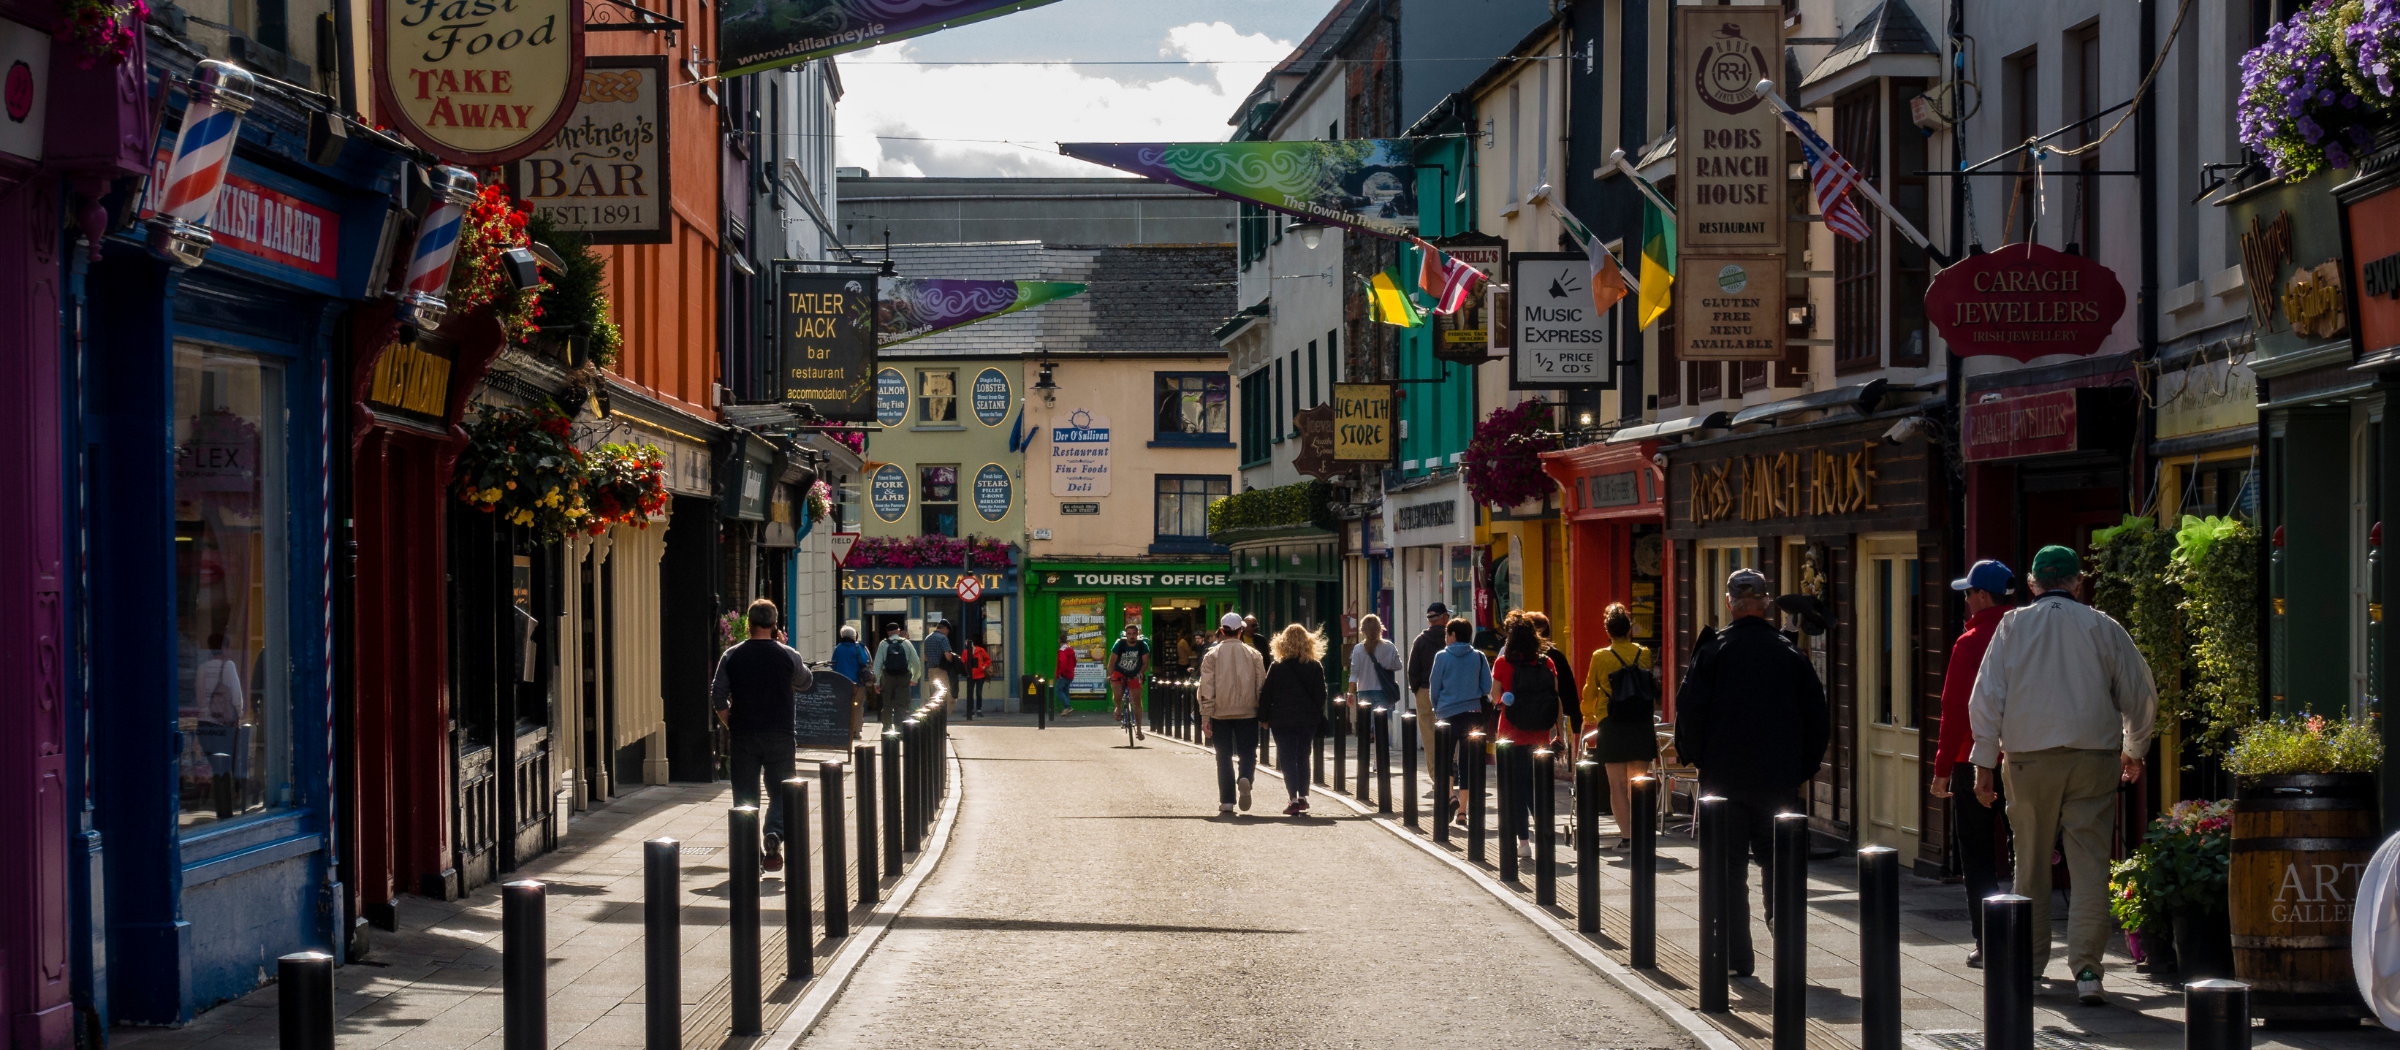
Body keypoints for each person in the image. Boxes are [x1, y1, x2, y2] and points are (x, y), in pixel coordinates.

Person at [1968, 545, 2156, 1004]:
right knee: (2090, 863)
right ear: (2077, 583)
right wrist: (2134, 748)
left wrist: (1984, 762)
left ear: (2033, 583)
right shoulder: (2102, 626)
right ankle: (2089, 971)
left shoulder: (2012, 626)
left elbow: (1986, 696)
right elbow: (2139, 693)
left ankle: (2029, 967)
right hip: (2093, 754)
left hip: (2029, 757)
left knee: (2030, 862)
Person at [1673, 568, 1831, 977]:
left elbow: (1688, 712)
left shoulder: (1712, 651)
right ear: (1764, 603)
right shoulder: (1789, 653)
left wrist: (1694, 757)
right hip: (1777, 779)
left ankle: (1735, 958)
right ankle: (1785, 937)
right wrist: (1802, 768)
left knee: (1727, 870)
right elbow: (1818, 717)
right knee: (1778, 862)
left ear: (1729, 604)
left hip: (1724, 780)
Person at [1927, 559, 2014, 968]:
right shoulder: (2023, 634)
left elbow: (1954, 709)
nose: (1965, 600)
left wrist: (1942, 768)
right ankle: (2023, 935)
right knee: (2024, 850)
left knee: (1977, 854)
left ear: (1981, 595)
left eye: (1968, 592)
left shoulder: (1971, 641)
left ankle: (1987, 939)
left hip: (1970, 759)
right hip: (2020, 756)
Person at [711, 598, 814, 873]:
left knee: (745, 796)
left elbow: (718, 695)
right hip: (780, 732)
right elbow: (806, 682)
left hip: (744, 733)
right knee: (781, 792)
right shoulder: (787, 655)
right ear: (774, 624)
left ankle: (748, 856)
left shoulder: (732, 655)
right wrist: (782, 646)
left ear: (748, 624)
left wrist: (730, 722)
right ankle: (775, 834)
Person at [1580, 603, 1658, 848]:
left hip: (1611, 723)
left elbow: (1589, 690)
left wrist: (1588, 715)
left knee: (1617, 785)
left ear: (1608, 631)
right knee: (1639, 781)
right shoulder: (1644, 653)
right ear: (1629, 630)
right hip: (1640, 723)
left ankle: (1628, 837)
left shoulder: (1600, 657)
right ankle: (1643, 833)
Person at [1492, 619, 1565, 861]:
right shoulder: (1547, 662)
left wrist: (1506, 697)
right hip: (1540, 736)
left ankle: (1523, 843)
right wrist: (1560, 734)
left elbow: (1494, 698)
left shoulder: (1502, 663)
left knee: (1517, 790)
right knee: (1538, 788)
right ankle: (1544, 834)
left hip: (1511, 735)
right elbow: (1555, 699)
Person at [1196, 611, 1265, 814]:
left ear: (1222, 631)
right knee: (1248, 752)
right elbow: (1261, 686)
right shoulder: (1254, 655)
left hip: (1220, 713)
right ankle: (1245, 777)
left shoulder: (1212, 655)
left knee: (1223, 756)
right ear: (1241, 631)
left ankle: (1227, 800)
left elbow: (1206, 687)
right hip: (1248, 712)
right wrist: (1262, 713)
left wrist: (1205, 716)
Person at [1259, 623, 1329, 816]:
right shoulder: (1315, 666)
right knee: (1303, 756)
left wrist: (1263, 718)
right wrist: (1315, 713)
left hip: (1281, 720)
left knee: (1287, 758)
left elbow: (1267, 694)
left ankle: (1292, 799)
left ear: (1282, 642)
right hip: (1307, 720)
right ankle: (1303, 797)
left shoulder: (1277, 667)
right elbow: (1321, 694)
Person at [1428, 618, 1493, 823]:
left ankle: (1450, 796)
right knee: (1467, 763)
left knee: (1445, 759)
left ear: (1453, 635)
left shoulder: (1441, 657)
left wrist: (1438, 708)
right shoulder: (1479, 657)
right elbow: (1486, 687)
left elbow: (1434, 688)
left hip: (1447, 714)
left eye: (1447, 634)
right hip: (1473, 715)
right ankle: (1462, 812)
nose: (1446, 639)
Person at [1518, 611, 1580, 745]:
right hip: (1550, 716)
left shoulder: (1517, 656)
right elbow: (1569, 690)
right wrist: (1575, 720)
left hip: (1523, 717)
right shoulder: (1556, 656)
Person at [1348, 614, 1403, 763]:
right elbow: (1398, 665)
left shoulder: (1358, 649)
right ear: (1380, 628)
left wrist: (1350, 693)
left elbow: (1354, 673)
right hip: (1383, 692)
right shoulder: (1389, 646)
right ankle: (1379, 760)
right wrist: (1385, 666)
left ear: (1363, 630)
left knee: (1366, 727)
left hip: (1364, 691)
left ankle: (1364, 760)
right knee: (1381, 727)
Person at [1406, 603, 1451, 762]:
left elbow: (1412, 670)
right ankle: (1452, 770)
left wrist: (1417, 690)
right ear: (1444, 617)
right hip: (1449, 691)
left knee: (1429, 736)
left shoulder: (1420, 640)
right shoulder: (1452, 639)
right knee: (1452, 731)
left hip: (1425, 690)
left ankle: (1436, 777)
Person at [871, 622, 921, 727]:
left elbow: (877, 664)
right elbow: (916, 662)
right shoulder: (906, 643)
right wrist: (915, 678)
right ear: (898, 631)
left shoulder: (883, 644)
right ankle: (900, 731)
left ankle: (886, 730)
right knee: (901, 705)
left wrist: (876, 681)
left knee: (887, 705)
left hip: (887, 677)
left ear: (888, 632)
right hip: (903, 677)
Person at [1108, 623, 1151, 739]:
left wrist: (1141, 673)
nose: (1131, 636)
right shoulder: (1119, 644)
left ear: (1137, 634)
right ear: (1126, 635)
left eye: (1134, 634)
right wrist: (1109, 675)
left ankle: (1139, 730)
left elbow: (1146, 663)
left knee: (1137, 701)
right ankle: (1118, 707)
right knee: (1117, 694)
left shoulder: (1143, 645)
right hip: (1119, 671)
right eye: (1129, 634)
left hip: (1135, 673)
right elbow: (1112, 662)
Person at [829, 625, 872, 740]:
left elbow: (833, 665)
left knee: (843, 706)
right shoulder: (858, 647)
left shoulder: (838, 648)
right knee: (857, 707)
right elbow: (865, 661)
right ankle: (856, 731)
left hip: (842, 683)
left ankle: (844, 730)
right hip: (857, 683)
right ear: (854, 636)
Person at [920, 617, 955, 706]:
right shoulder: (943, 638)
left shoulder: (928, 638)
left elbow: (925, 657)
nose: (947, 634)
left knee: (935, 696)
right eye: (947, 631)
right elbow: (948, 655)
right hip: (941, 670)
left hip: (931, 671)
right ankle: (942, 718)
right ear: (944, 628)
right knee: (949, 697)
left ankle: (934, 718)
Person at [965, 639, 991, 717]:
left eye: (968, 643)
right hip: (970, 675)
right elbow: (963, 662)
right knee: (970, 693)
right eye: (966, 644)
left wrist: (984, 666)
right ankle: (971, 710)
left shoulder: (980, 650)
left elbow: (988, 660)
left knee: (978, 693)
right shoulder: (965, 652)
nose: (967, 645)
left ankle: (979, 710)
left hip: (980, 675)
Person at [1054, 640, 1077, 717]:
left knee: (1058, 690)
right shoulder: (1071, 650)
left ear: (1060, 642)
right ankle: (1067, 711)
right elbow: (1074, 662)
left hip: (1064, 674)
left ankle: (1067, 707)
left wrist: (1060, 672)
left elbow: (1062, 662)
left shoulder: (1062, 651)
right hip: (1070, 674)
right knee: (1065, 691)